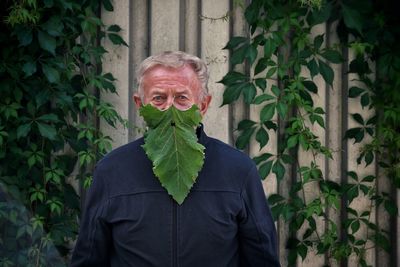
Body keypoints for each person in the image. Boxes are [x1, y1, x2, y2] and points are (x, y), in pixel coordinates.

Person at [71, 51, 280, 266]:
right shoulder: (112, 171)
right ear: (140, 104)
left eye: (182, 98)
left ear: (203, 105)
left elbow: (262, 260)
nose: (170, 108)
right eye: (159, 98)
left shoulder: (238, 170)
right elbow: (88, 260)